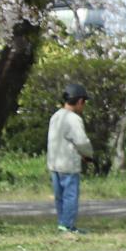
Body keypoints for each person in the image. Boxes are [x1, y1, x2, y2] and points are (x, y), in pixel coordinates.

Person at [47, 83, 95, 234]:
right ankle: (68, 226)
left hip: (54, 163)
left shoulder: (56, 116)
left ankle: (62, 223)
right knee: (70, 196)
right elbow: (81, 141)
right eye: (84, 102)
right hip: (68, 164)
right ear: (80, 101)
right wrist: (89, 155)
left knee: (59, 197)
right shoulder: (73, 119)